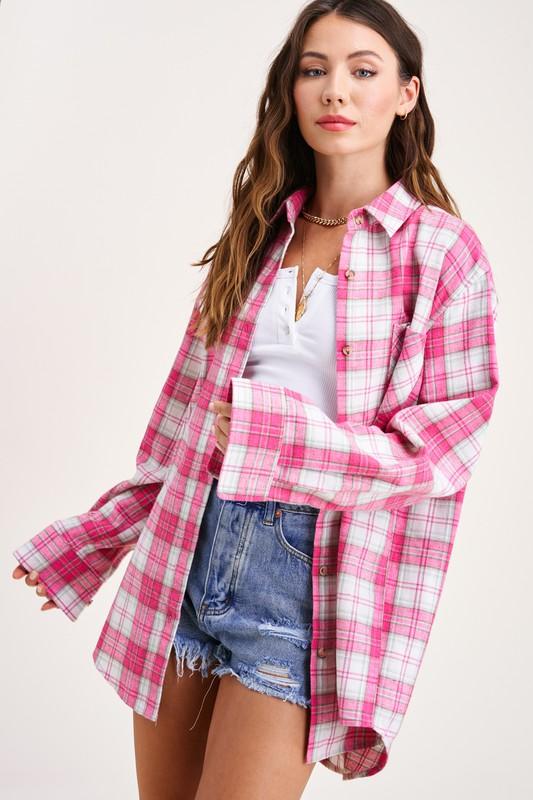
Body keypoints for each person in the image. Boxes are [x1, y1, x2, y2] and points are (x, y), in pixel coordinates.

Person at [11, 1, 500, 797]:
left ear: (406, 93)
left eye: (362, 70)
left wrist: (278, 435)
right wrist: (96, 536)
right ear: (291, 90)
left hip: (306, 579)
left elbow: (438, 452)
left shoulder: (442, 252)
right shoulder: (259, 233)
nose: (335, 90)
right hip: (189, 546)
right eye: (314, 70)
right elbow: (180, 432)